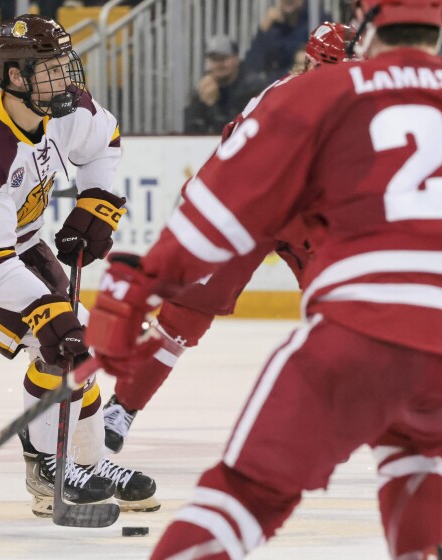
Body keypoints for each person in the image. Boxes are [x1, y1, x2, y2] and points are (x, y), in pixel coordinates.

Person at [86, 0, 442, 558]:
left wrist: (142, 284)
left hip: (318, 235)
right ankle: (121, 411)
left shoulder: (322, 96)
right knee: (195, 314)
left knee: (252, 485)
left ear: (368, 30)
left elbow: (210, 211)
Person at [0, 14, 158, 516]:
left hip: (15, 240)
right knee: (53, 343)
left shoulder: (61, 106)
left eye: (65, 64)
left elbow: (106, 141)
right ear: (15, 77)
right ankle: (46, 470)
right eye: (52, 68)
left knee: (77, 341)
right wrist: (43, 310)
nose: (67, 78)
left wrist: (97, 199)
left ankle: (91, 462)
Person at [99, 22, 354, 454]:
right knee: (183, 315)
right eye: (328, 69)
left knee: (350, 311)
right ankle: (120, 408)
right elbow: (231, 168)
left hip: (306, 218)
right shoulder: (283, 101)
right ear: (310, 61)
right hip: (247, 208)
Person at [184, 34, 264, 134]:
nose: (219, 64)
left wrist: (213, 106)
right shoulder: (205, 86)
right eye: (214, 59)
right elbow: (190, 130)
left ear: (236, 59)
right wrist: (202, 103)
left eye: (223, 58)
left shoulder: (251, 87)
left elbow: (237, 131)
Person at [242, 0, 331, 84]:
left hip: (305, 84)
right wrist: (264, 27)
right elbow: (252, 64)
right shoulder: (274, 22)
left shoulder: (317, 19)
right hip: (276, 84)